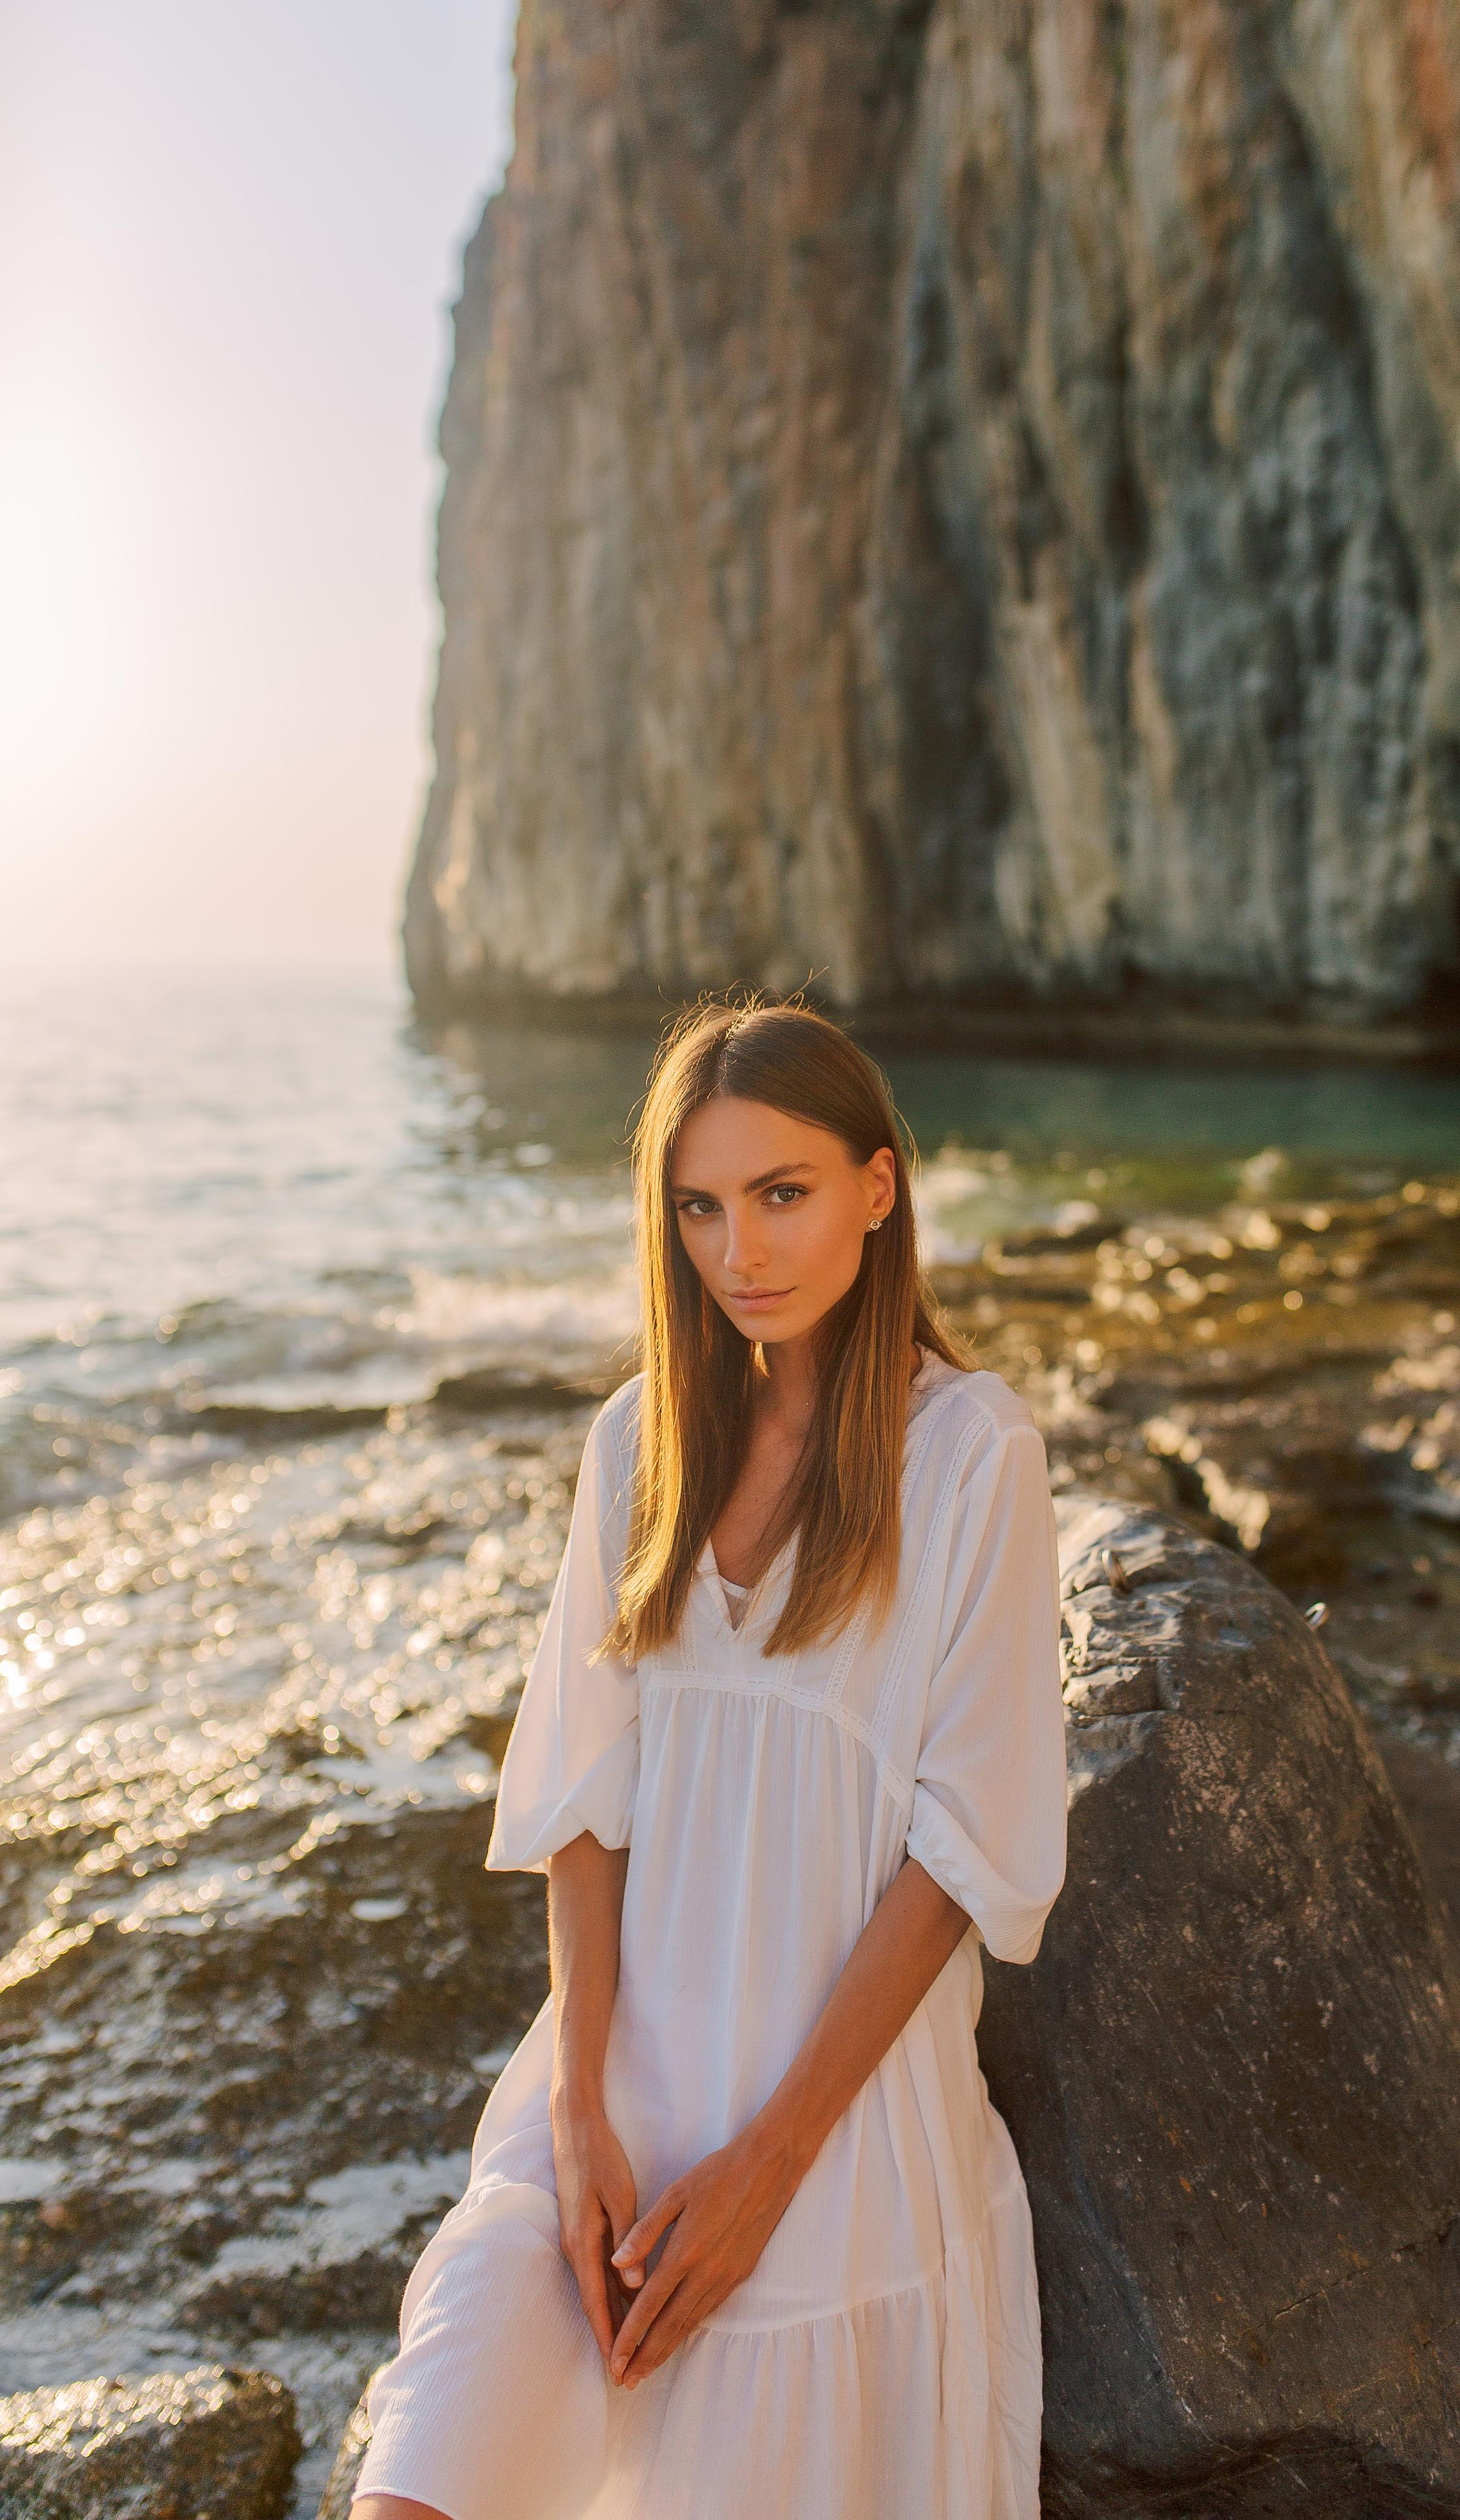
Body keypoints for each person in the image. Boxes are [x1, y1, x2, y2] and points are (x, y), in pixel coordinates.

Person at [351, 995, 1070, 2520]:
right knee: (421, 2479)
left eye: (780, 1194)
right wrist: (575, 2111)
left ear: (878, 1190)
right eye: (698, 1206)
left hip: (833, 2125)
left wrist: (767, 2168)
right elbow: (582, 1797)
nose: (738, 1249)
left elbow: (968, 1845)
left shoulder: (968, 1455)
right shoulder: (639, 1443)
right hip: (616, 2091)